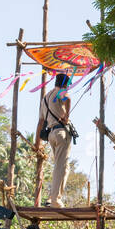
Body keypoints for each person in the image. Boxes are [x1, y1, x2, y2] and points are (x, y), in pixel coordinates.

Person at [41, 74, 75, 207]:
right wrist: (67, 116)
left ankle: (54, 197)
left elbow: (41, 120)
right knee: (60, 167)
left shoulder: (46, 97)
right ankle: (54, 199)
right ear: (64, 84)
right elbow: (67, 97)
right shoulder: (60, 92)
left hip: (51, 134)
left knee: (64, 167)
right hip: (61, 132)